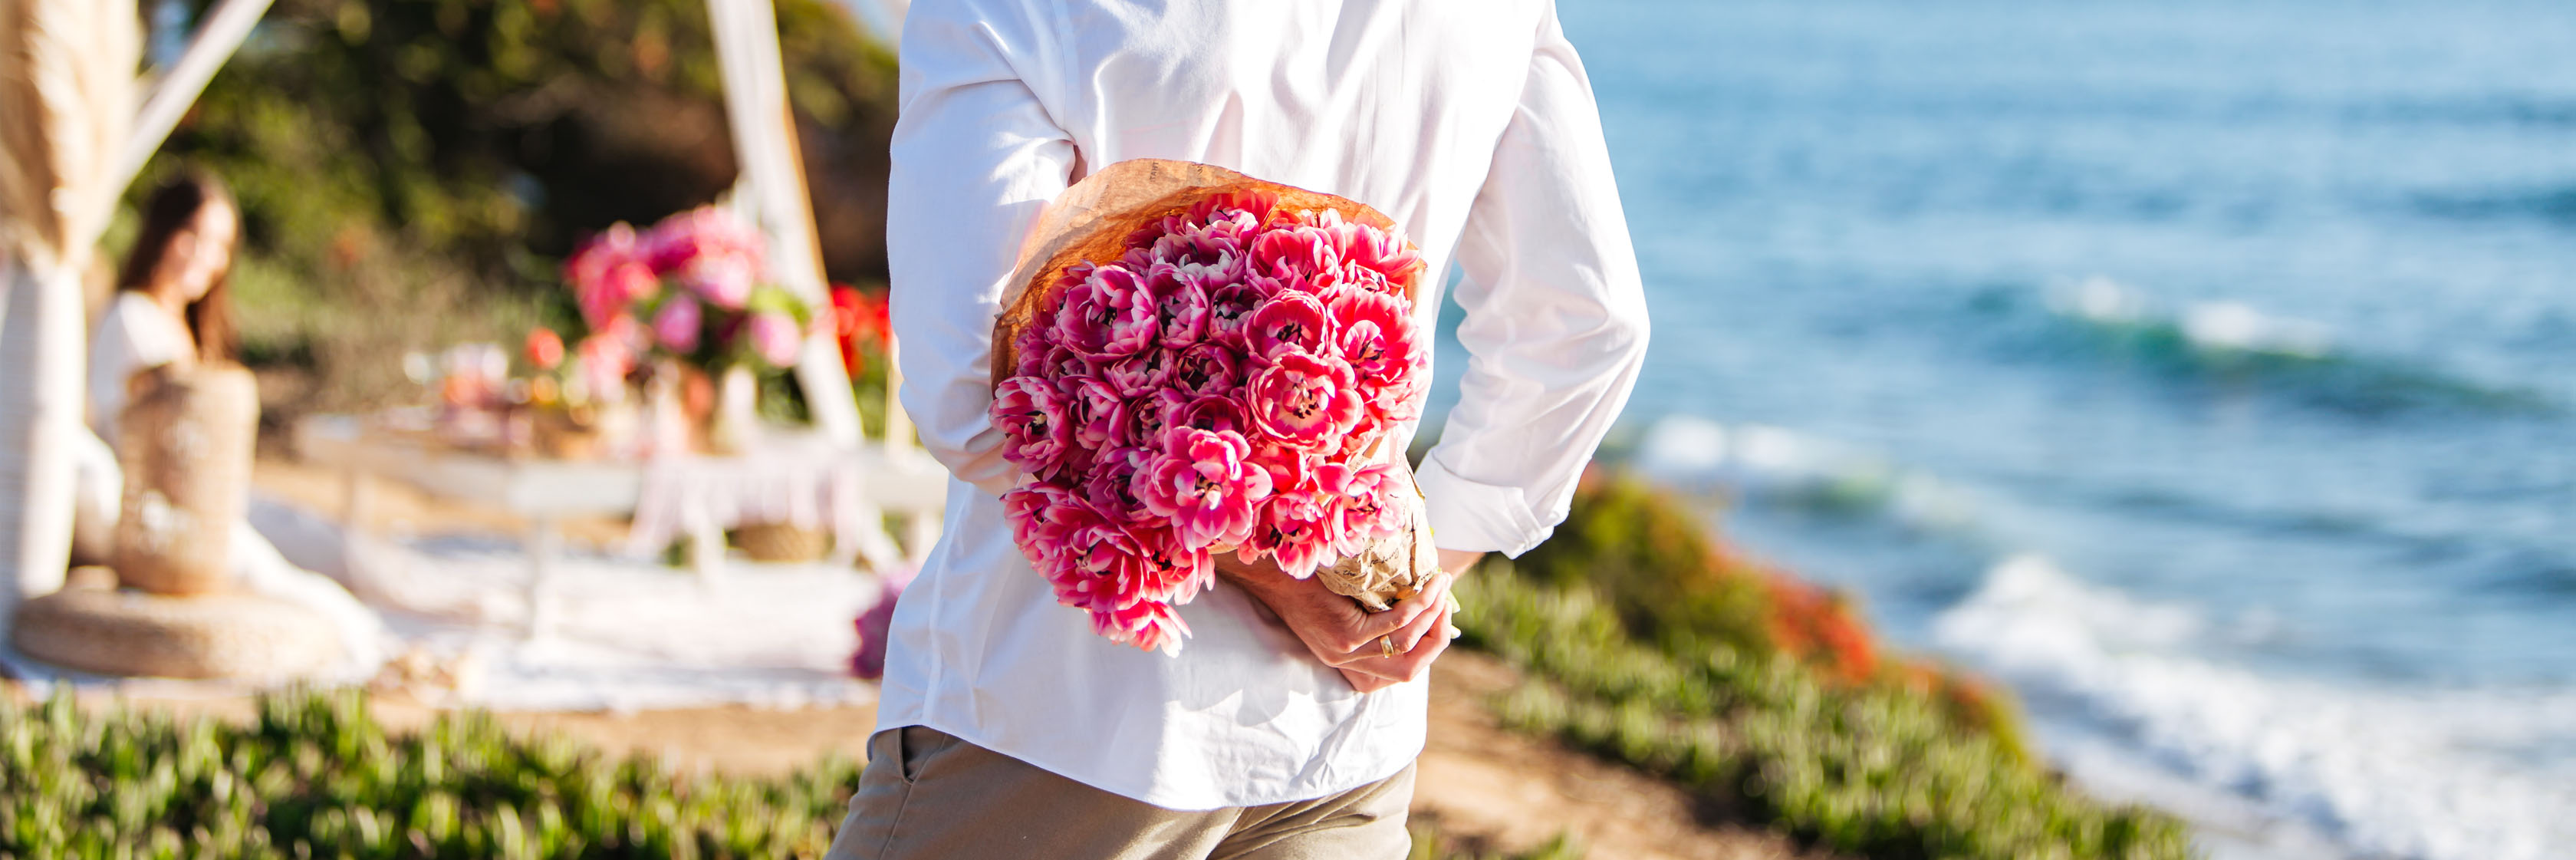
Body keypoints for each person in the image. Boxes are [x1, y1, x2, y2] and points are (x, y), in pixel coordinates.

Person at [837, 2, 1650, 857]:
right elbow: (1584, 325)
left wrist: (1292, 575)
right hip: (1337, 742)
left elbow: (973, 385)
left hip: (1059, 714)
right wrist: (1387, 579)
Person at [70, 169, 384, 678]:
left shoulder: (178, 321)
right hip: (171, 510)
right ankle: (375, 647)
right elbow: (153, 435)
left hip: (213, 495)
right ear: (162, 232)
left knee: (340, 546)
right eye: (193, 236)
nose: (204, 256)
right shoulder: (131, 315)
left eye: (219, 244)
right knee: (308, 577)